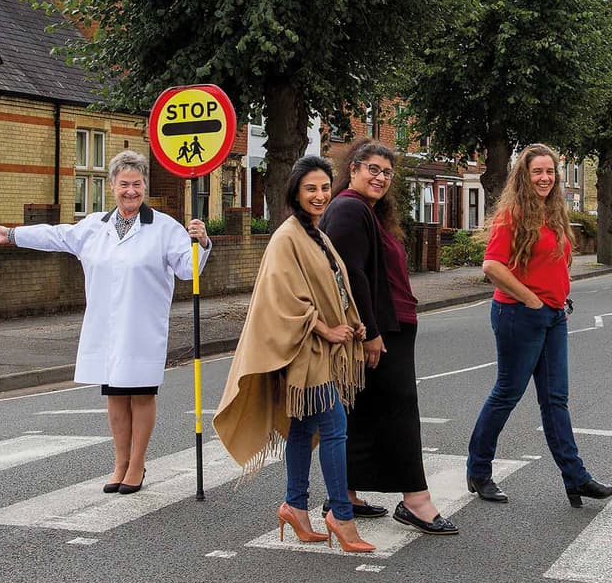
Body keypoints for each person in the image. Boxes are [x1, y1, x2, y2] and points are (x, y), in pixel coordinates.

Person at [0, 150, 210, 495]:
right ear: (112, 186)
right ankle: (120, 462)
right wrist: (12, 235)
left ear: (145, 186)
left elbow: (188, 270)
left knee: (141, 394)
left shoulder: (164, 228)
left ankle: (137, 463)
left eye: (137, 184)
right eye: (124, 184)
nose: (130, 191)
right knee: (115, 395)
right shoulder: (94, 227)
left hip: (143, 329)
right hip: (106, 327)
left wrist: (201, 242)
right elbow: (56, 235)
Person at [214, 156, 374, 552]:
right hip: (304, 353)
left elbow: (335, 287)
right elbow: (283, 297)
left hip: (319, 351)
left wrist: (351, 323)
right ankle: (341, 514)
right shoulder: (286, 236)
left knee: (303, 428)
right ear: (295, 193)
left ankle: (294, 506)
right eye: (311, 189)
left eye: (325, 188)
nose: (320, 195)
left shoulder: (316, 233)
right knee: (335, 427)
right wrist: (326, 329)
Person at [319, 139, 458, 535]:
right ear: (353, 169)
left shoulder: (366, 211)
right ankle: (416, 501)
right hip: (383, 329)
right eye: (373, 169)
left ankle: (344, 492)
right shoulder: (349, 208)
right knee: (400, 412)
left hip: (388, 325)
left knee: (363, 411)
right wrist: (371, 332)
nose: (380, 177)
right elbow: (352, 275)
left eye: (386, 172)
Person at [467, 143, 612, 507]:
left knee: (555, 399)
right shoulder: (513, 215)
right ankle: (478, 471)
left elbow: (553, 263)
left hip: (553, 316)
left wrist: (557, 296)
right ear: (524, 176)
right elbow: (492, 265)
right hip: (519, 315)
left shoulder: (553, 213)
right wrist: (532, 299)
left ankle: (575, 478)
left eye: (550, 172)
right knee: (507, 393)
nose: (545, 178)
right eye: (537, 172)